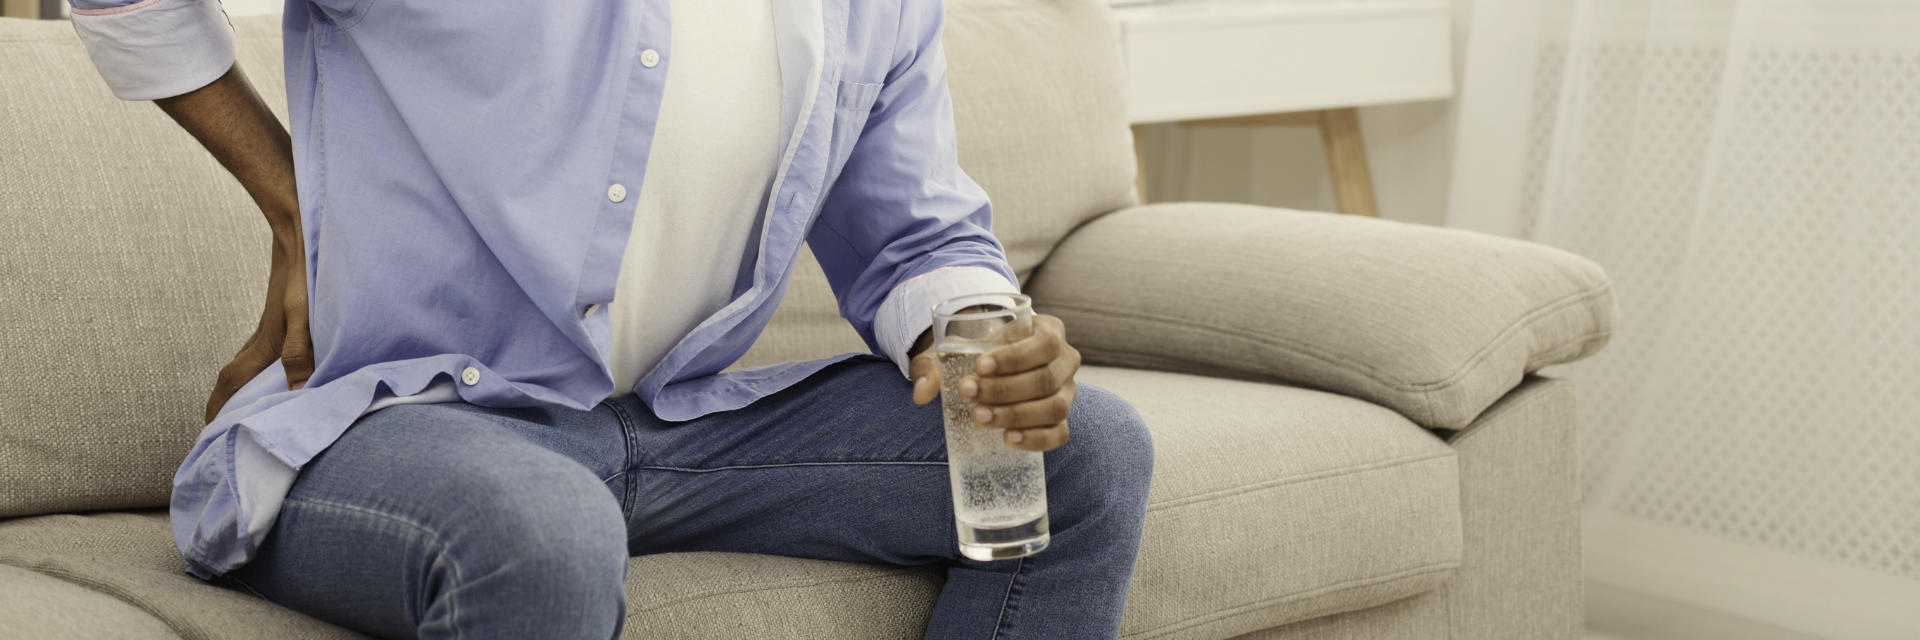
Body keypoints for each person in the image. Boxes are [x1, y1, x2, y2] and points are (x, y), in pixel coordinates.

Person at [67, 0, 1154, 638]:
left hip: (669, 427)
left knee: (1078, 458)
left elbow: (916, 237)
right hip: (401, 419)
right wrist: (291, 199)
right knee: (542, 523)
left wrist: (982, 333)